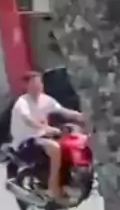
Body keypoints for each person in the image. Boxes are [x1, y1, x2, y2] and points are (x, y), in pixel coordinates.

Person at [10, 71, 84, 201]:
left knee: (70, 143)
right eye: (34, 83)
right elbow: (27, 120)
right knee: (55, 148)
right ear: (26, 86)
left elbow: (62, 111)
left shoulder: (46, 99)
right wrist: (45, 128)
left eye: (39, 83)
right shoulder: (22, 102)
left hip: (42, 137)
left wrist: (82, 117)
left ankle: (69, 181)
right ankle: (53, 188)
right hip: (27, 140)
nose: (38, 86)